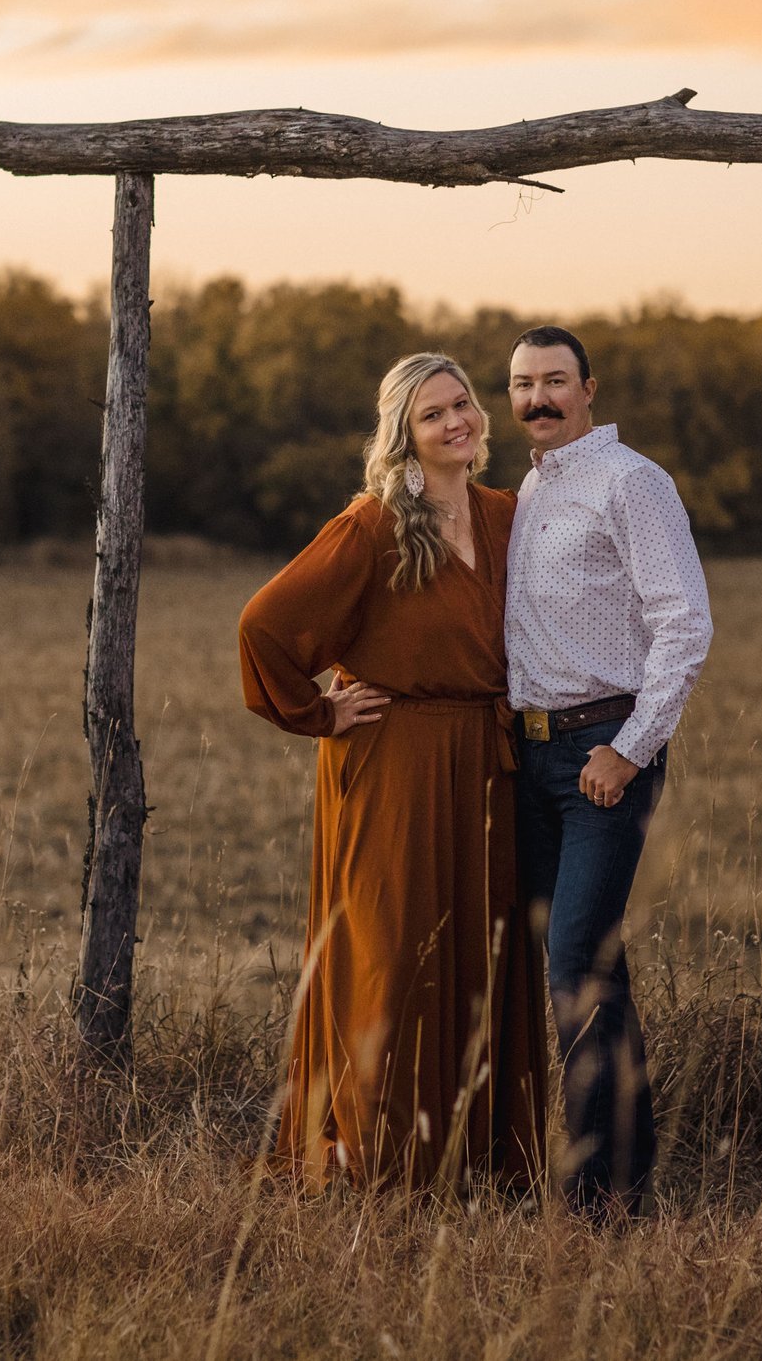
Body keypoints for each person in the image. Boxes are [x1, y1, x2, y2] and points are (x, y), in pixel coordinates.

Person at [237, 352, 548, 1192]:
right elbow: (265, 624)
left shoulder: (508, 514)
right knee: (396, 957)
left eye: (464, 404)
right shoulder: (374, 524)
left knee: (480, 956)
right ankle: (380, 1159)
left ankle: (475, 1160)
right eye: (432, 413)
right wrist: (320, 712)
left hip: (487, 763)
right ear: (403, 435)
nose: (457, 421)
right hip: (394, 764)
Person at [504, 323, 712, 1220]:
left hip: (601, 756)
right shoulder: (532, 486)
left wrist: (629, 751)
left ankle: (590, 1197)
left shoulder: (632, 483)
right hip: (531, 756)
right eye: (521, 383)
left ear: (590, 388)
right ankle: (626, 1181)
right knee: (592, 968)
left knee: (574, 961)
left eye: (555, 380)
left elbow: (685, 622)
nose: (538, 398)